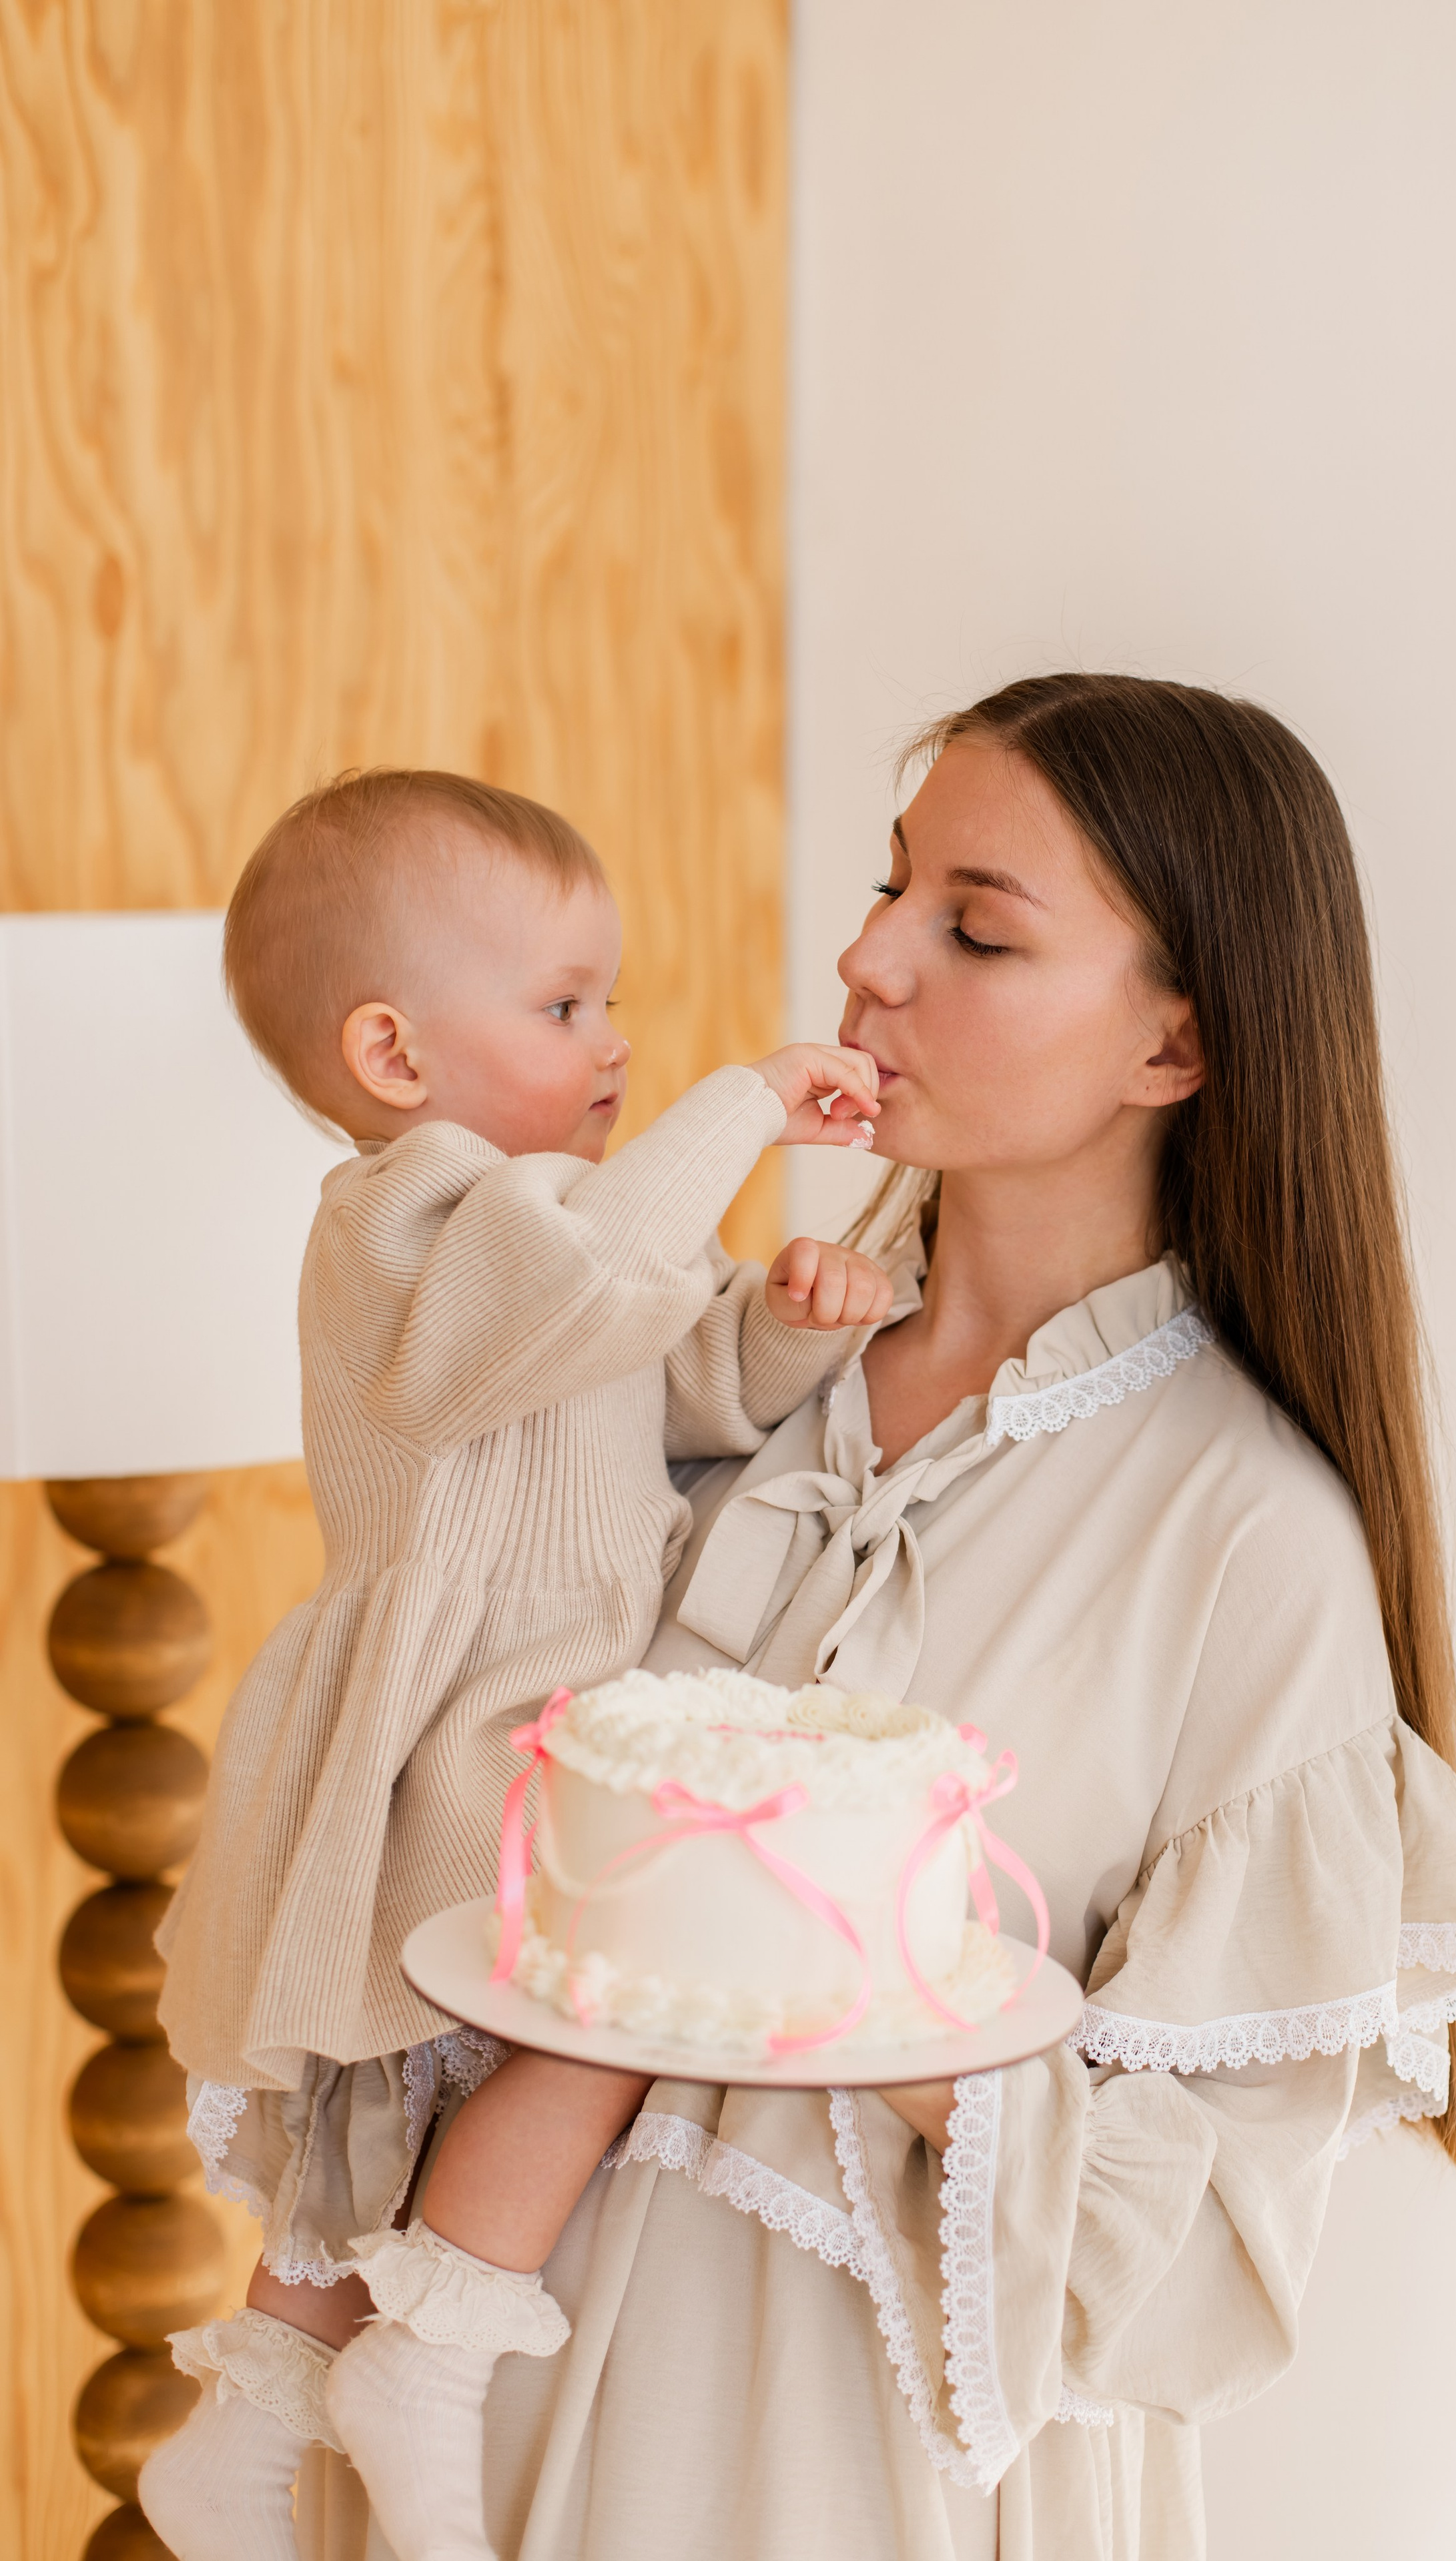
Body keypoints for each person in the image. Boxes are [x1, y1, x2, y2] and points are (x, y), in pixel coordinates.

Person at [299, 679, 1456, 2561]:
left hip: (855, 2474)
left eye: (978, 929)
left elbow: (1197, 2250)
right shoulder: (698, 1366)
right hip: (472, 2433)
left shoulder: (1249, 1538)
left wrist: (868, 1990)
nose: (868, 961)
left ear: (1177, 1044)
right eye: (892, 889)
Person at [137, 768, 894, 2561]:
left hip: (551, 1697)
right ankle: (426, 2361)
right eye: (564, 1007)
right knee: (543, 2022)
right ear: (393, 1055)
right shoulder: (404, 1216)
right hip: (450, 1707)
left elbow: (676, 1390)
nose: (615, 1040)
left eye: (609, 999)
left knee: (444, 2075)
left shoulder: (563, 1227)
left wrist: (783, 1334)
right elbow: (557, 1297)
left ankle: (258, 2429)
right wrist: (744, 1106)